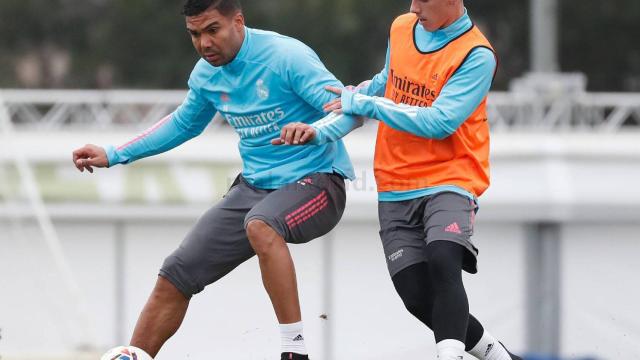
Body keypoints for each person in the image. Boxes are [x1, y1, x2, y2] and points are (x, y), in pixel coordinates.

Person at [71, 0, 360, 359]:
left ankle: (294, 351)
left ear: (238, 21)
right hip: (255, 188)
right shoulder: (206, 75)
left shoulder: (286, 56)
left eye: (212, 30)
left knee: (260, 224)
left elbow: (351, 112)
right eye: (194, 34)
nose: (204, 43)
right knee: (176, 272)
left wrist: (314, 132)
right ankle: (136, 356)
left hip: (319, 182)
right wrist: (114, 153)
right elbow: (182, 124)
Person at [275, 0, 523, 359]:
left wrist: (366, 104)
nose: (414, 6)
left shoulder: (477, 54)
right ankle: (498, 355)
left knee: (443, 258)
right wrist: (317, 130)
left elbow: (439, 122)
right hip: (394, 182)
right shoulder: (402, 27)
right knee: (415, 294)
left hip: (451, 176)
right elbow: (384, 84)